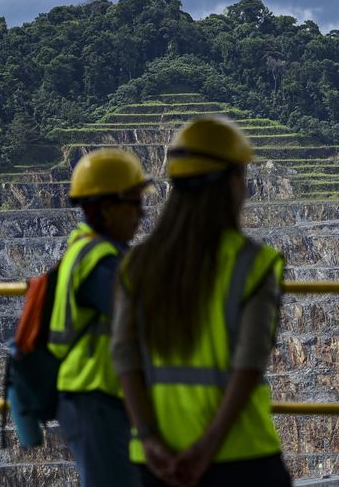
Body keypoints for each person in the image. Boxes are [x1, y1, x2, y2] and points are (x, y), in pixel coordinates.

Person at [111, 117, 292, 487]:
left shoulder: (136, 264)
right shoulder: (254, 263)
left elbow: (124, 357)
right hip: (240, 454)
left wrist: (147, 437)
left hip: (155, 460)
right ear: (230, 182)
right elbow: (249, 363)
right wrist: (208, 445)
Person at [49, 148, 151, 486]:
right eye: (134, 203)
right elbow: (140, 314)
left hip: (98, 398)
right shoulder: (99, 261)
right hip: (93, 398)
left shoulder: (94, 251)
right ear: (106, 208)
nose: (141, 213)